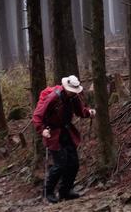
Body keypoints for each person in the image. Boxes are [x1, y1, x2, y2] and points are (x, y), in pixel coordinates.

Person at [32, 75, 96, 203]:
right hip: (53, 134)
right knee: (60, 164)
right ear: (66, 88)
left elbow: (80, 111)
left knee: (74, 163)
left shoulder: (74, 97)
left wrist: (89, 113)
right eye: (72, 91)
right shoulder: (53, 97)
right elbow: (37, 115)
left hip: (67, 132)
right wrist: (42, 130)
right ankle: (48, 192)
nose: (74, 93)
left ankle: (65, 191)